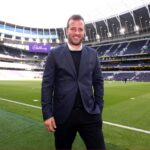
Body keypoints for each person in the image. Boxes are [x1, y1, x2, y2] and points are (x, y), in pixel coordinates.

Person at [41, 14, 106, 150]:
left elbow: (98, 81)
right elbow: (47, 85)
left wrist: (99, 106)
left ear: (84, 32)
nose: (77, 32)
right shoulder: (54, 54)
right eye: (73, 29)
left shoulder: (93, 54)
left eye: (80, 29)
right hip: (63, 115)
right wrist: (47, 114)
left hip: (90, 114)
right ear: (67, 30)